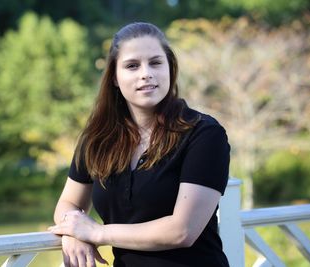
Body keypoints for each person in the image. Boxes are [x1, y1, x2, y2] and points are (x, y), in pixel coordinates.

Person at [49, 22, 230, 267]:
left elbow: (182, 231)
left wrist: (96, 233)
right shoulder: (97, 138)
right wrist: (71, 232)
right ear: (114, 76)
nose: (146, 73)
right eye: (132, 66)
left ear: (170, 69)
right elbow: (69, 203)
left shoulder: (204, 134)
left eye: (156, 63)